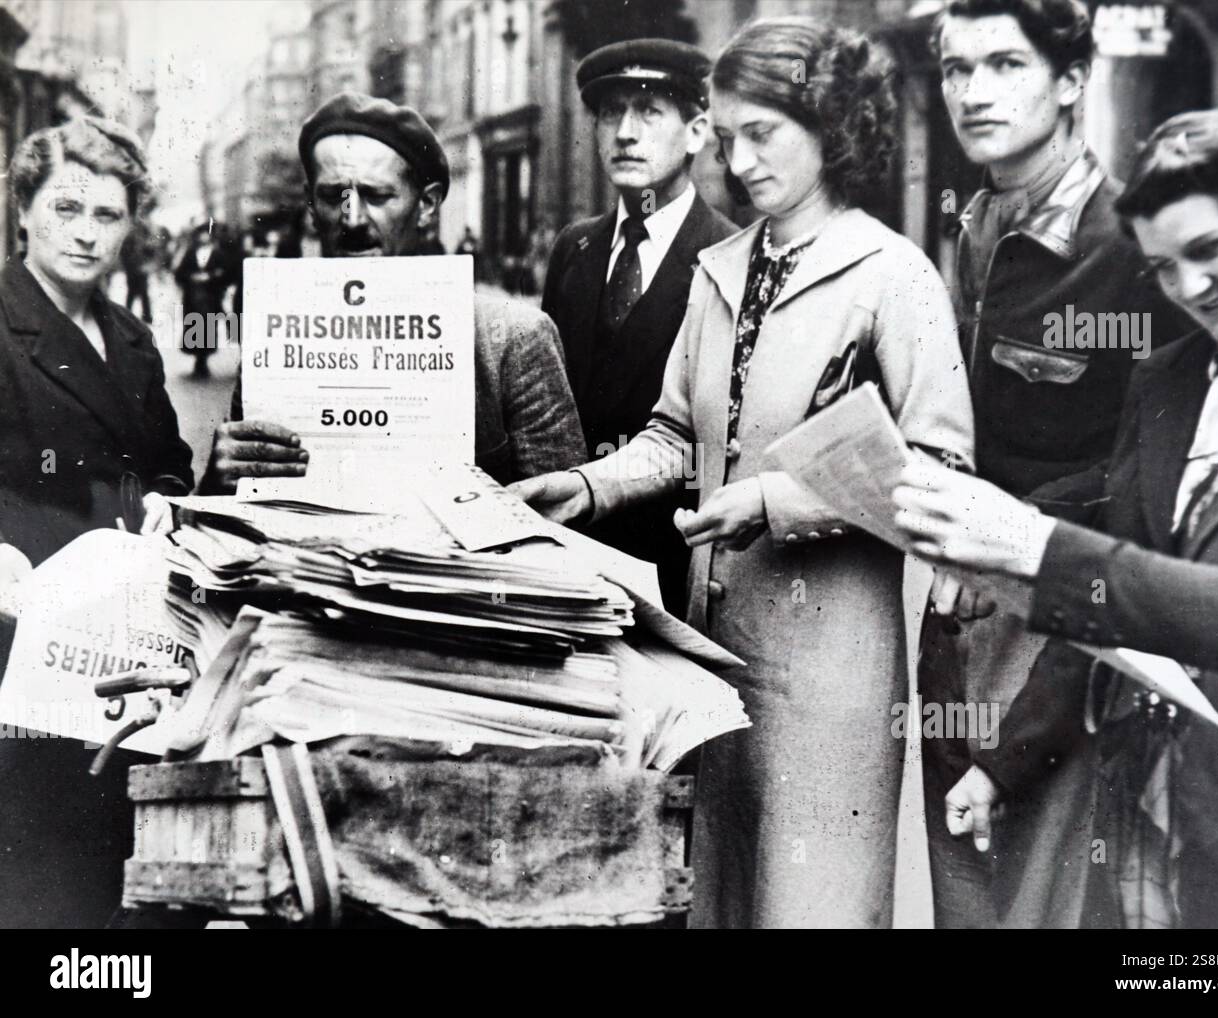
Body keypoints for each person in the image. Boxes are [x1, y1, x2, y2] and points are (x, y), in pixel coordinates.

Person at [513, 17, 974, 928]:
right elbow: (678, 433)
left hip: (835, 669)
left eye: (763, 133)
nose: (741, 159)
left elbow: (939, 470)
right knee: (721, 899)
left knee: (813, 904)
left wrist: (776, 501)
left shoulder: (893, 275)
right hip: (714, 657)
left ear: (831, 128)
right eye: (726, 138)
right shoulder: (721, 268)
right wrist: (592, 486)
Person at [893, 105, 1218, 928]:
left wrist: (1034, 545)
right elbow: (1114, 607)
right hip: (1146, 820)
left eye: (1208, 250)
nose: (1191, 288)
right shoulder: (1167, 382)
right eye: (1163, 270)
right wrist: (1004, 766)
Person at [916, 0, 1196, 929]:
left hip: (1060, 647)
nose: (973, 92)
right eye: (958, 69)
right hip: (963, 627)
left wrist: (1029, 729)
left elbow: (1144, 501)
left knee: (1052, 908)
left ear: (1073, 81)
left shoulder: (1131, 250)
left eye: (1005, 65)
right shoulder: (980, 225)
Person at [0, 116, 193, 928]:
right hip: (18, 623)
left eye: (107, 215)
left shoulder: (130, 339)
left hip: (117, 632)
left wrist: (168, 501)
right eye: (66, 208)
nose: (86, 233)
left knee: (108, 844)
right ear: (22, 211)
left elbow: (168, 459)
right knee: (33, 855)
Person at [200, 92, 586, 494]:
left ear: (427, 205)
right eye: (333, 196)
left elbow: (564, 523)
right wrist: (217, 482)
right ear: (311, 206)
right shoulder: (276, 341)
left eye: (376, 195)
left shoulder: (512, 340)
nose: (351, 218)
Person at [542, 39, 735, 617]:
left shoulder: (727, 255)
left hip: (670, 568)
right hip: (569, 556)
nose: (625, 132)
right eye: (609, 113)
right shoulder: (574, 247)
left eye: (649, 112)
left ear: (697, 131)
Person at [173, 222, 233, 377]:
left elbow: (225, 273)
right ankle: (197, 360)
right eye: (201, 234)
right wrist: (192, 277)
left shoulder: (218, 254)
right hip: (193, 296)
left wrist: (210, 277)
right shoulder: (191, 252)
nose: (203, 237)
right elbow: (180, 273)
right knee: (194, 326)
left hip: (210, 296)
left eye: (206, 234)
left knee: (208, 327)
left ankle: (203, 361)